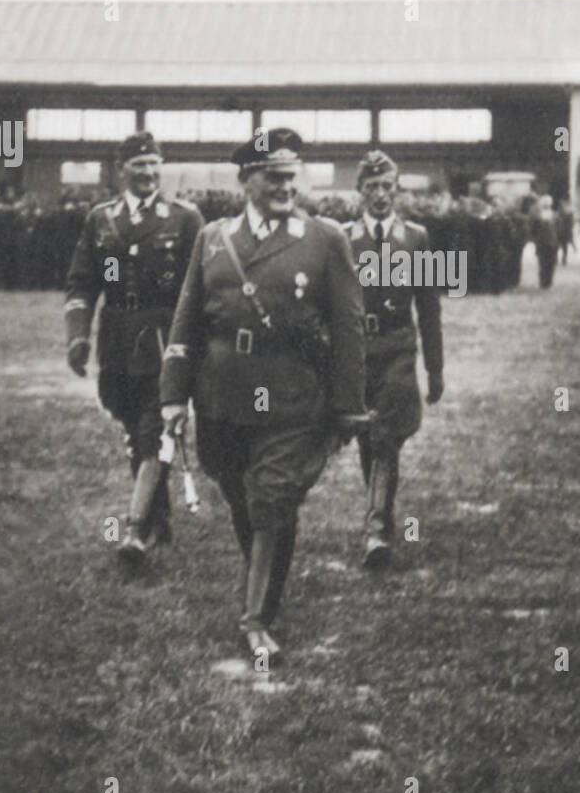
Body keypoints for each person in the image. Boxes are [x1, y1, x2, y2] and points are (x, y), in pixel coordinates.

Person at [159, 129, 368, 660]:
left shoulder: (325, 239)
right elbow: (186, 321)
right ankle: (263, 580)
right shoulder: (212, 238)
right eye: (272, 177)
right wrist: (172, 397)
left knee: (270, 501)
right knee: (239, 497)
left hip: (291, 396)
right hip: (223, 397)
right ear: (246, 180)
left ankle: (256, 620)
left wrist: (347, 404)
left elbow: (348, 326)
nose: (284, 187)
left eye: (289, 177)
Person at [65, 132, 204, 566]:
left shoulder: (185, 219)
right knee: (134, 433)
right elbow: (83, 282)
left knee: (154, 433)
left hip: (165, 341)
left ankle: (134, 530)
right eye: (139, 164)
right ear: (122, 169)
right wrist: (78, 335)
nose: (147, 172)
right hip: (117, 343)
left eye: (153, 164)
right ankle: (159, 517)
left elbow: (198, 288)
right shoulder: (101, 220)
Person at [344, 150, 444, 568]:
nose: (381, 195)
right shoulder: (343, 238)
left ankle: (376, 530)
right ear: (360, 192)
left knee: (385, 436)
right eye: (372, 187)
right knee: (369, 440)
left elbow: (429, 306)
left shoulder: (416, 238)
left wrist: (435, 369)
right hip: (358, 355)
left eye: (387, 186)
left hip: (399, 350)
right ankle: (382, 512)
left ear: (397, 190)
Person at [530, 194, 559, 289]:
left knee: (551, 263)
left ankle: (549, 282)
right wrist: (535, 240)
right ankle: (543, 282)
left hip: (553, 243)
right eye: (545, 202)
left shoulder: (555, 215)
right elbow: (533, 229)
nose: (547, 204)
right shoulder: (537, 216)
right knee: (542, 263)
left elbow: (559, 229)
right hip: (541, 242)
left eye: (548, 202)